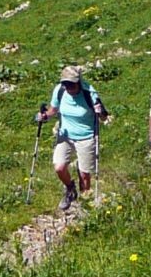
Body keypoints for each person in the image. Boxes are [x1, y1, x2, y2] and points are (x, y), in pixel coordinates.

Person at [36, 65, 107, 211]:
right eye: (66, 84)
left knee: (85, 174)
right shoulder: (60, 91)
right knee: (59, 167)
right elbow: (53, 110)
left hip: (86, 136)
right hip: (65, 134)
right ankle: (70, 189)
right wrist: (44, 117)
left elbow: (104, 116)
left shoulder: (89, 93)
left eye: (72, 85)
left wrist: (100, 112)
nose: (69, 88)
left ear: (79, 82)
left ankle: (85, 204)